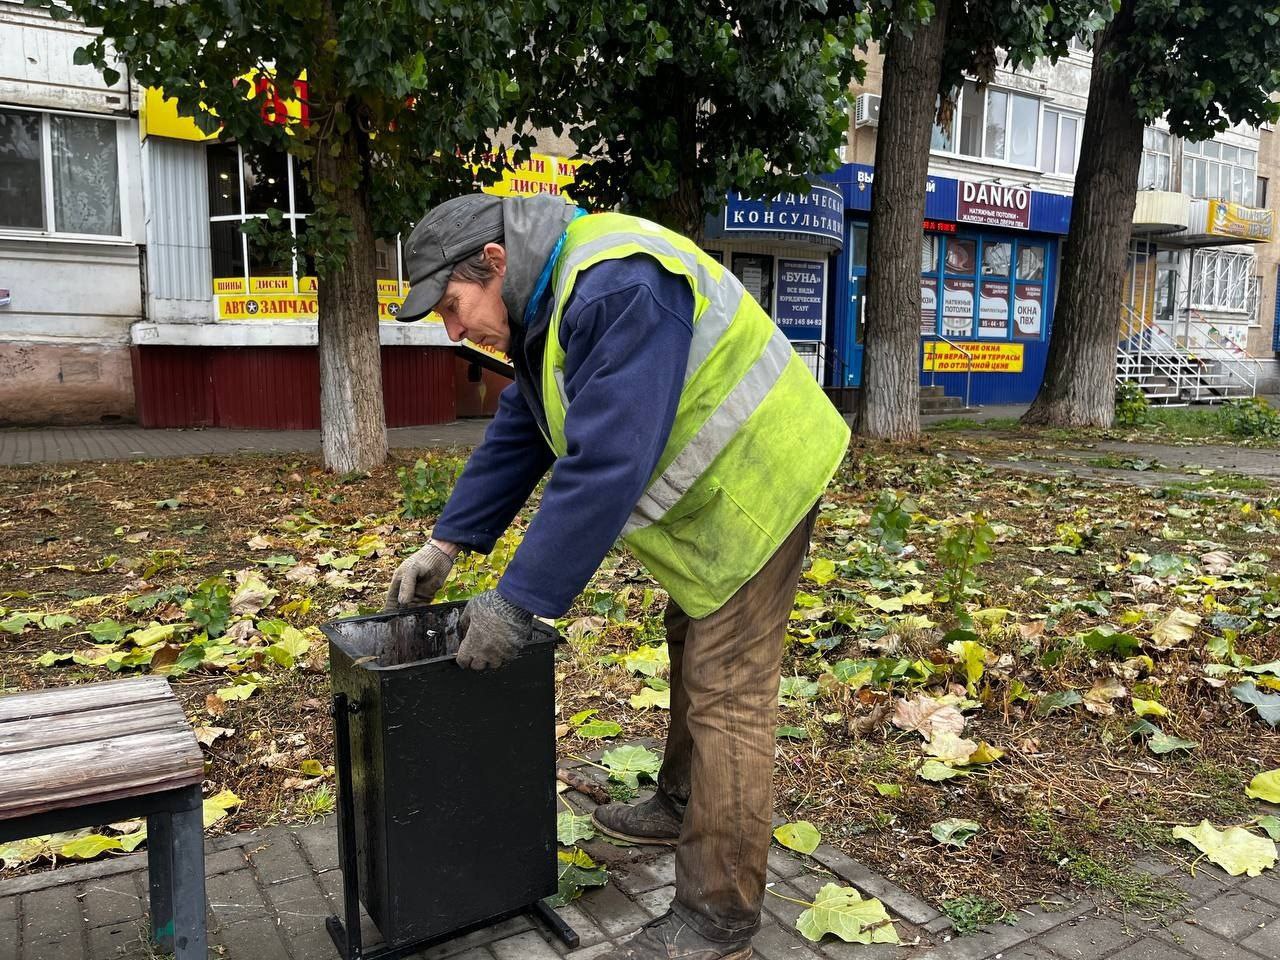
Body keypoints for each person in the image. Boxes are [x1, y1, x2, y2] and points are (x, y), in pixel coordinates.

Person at [386, 192, 850, 960]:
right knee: (688, 634)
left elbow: (605, 461)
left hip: (766, 478)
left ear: (494, 264)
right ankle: (680, 802)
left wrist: (519, 605)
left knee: (727, 686)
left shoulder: (617, 282)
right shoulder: (551, 302)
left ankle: (718, 913)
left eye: (453, 306)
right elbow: (525, 428)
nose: (454, 329)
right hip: (720, 498)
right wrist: (447, 543)